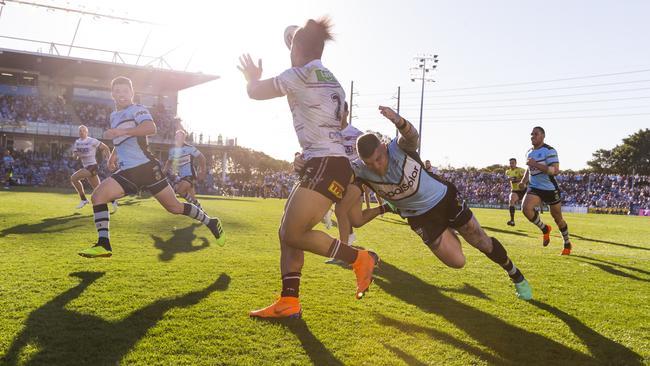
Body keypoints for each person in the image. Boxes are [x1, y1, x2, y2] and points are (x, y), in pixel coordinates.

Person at [238, 17, 378, 318]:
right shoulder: (335, 83)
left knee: (294, 232)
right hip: (330, 162)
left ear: (296, 48)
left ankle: (359, 258)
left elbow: (256, 92)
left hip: (324, 162)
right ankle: (289, 302)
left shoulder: (299, 73)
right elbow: (341, 122)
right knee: (286, 232)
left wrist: (252, 77)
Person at [343, 106, 533, 300]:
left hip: (443, 199)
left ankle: (515, 274)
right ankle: (449, 230)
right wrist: (384, 207)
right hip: (421, 219)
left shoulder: (397, 148)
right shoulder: (360, 170)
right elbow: (351, 207)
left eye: (379, 159)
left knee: (479, 240)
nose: (376, 166)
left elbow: (412, 137)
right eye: (370, 163)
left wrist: (398, 120)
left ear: (383, 147)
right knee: (457, 262)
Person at [77, 76, 225, 259]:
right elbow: (122, 140)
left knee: (175, 208)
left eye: (125, 91)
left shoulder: (138, 109)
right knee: (98, 196)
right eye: (117, 91)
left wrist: (122, 131)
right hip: (129, 171)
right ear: (112, 94)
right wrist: (113, 156)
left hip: (145, 167)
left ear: (132, 93)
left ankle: (211, 222)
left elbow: (150, 127)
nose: (121, 94)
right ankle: (103, 245)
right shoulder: (114, 115)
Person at [520, 126, 572, 255]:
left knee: (557, 218)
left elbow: (555, 171)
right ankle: (545, 229)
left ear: (543, 136)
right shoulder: (529, 152)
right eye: (531, 134)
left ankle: (567, 243)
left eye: (536, 134)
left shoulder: (549, 151)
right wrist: (523, 181)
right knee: (525, 209)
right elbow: (529, 169)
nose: (533, 136)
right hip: (535, 187)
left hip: (549, 188)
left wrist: (536, 164)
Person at [70, 125, 118, 212]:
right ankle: (113, 200)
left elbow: (106, 147)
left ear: (87, 132)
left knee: (74, 178)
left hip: (92, 166)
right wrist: (75, 155)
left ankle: (83, 199)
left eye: (83, 130)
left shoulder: (91, 141)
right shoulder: (77, 142)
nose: (81, 132)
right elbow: (75, 156)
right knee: (98, 189)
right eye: (80, 131)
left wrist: (109, 160)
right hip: (86, 167)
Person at [163, 130, 206, 209]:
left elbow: (202, 158)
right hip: (181, 176)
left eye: (180, 136)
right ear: (175, 137)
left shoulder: (190, 148)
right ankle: (201, 212)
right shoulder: (172, 150)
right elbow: (169, 162)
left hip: (190, 175)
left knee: (179, 190)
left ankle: (192, 207)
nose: (178, 138)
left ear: (184, 138)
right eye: (177, 136)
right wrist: (164, 172)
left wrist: (202, 171)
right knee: (192, 198)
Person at [505, 158, 526, 226]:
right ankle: (512, 220)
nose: (511, 164)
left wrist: (517, 179)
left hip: (524, 190)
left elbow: (526, 179)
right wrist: (509, 179)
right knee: (511, 201)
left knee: (527, 207)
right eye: (510, 163)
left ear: (516, 163)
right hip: (515, 190)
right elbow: (508, 179)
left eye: (513, 163)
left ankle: (535, 212)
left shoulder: (520, 170)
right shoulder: (508, 172)